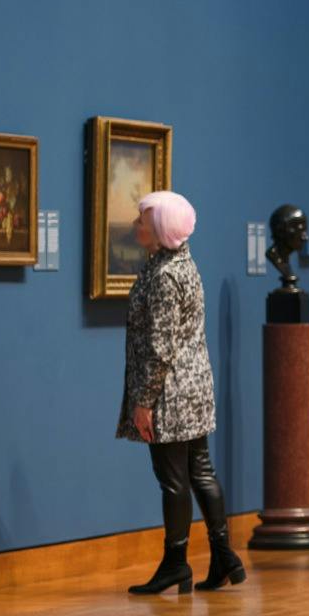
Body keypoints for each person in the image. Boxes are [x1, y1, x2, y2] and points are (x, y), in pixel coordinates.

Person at [115, 190, 243, 591]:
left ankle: (176, 563)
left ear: (159, 229)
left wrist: (143, 402)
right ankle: (223, 556)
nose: (136, 225)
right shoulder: (181, 265)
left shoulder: (165, 275)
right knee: (200, 471)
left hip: (170, 393)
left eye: (141, 220)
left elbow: (160, 345)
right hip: (193, 388)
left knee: (173, 479)